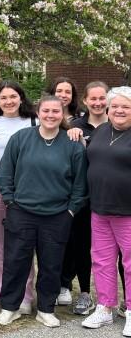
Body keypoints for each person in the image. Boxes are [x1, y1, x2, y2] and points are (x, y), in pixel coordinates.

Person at [0, 95, 87, 328]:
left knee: (51, 264)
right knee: (16, 262)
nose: (50, 115)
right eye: (46, 111)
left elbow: (80, 184)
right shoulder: (21, 138)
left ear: (62, 113)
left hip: (57, 215)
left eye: (55, 111)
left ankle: (46, 309)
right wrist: (10, 201)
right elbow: (4, 173)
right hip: (21, 211)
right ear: (38, 112)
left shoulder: (72, 145)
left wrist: (71, 211)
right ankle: (10, 307)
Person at [0, 81, 37, 314]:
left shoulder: (34, 122)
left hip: (26, 186)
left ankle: (24, 293)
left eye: (13, 96)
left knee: (23, 241)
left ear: (21, 98)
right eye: (3, 98)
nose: (9, 101)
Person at [81, 86, 131, 336]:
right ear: (109, 110)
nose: (120, 110)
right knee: (102, 261)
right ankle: (105, 307)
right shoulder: (101, 131)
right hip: (99, 209)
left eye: (126, 107)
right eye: (116, 106)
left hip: (128, 211)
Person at [61, 81, 108, 315]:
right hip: (82, 197)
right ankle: (84, 293)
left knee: (110, 251)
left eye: (102, 98)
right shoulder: (75, 126)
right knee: (79, 245)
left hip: (110, 198)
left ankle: (115, 299)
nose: (98, 103)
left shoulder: (118, 124)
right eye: (94, 99)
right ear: (86, 101)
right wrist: (70, 132)